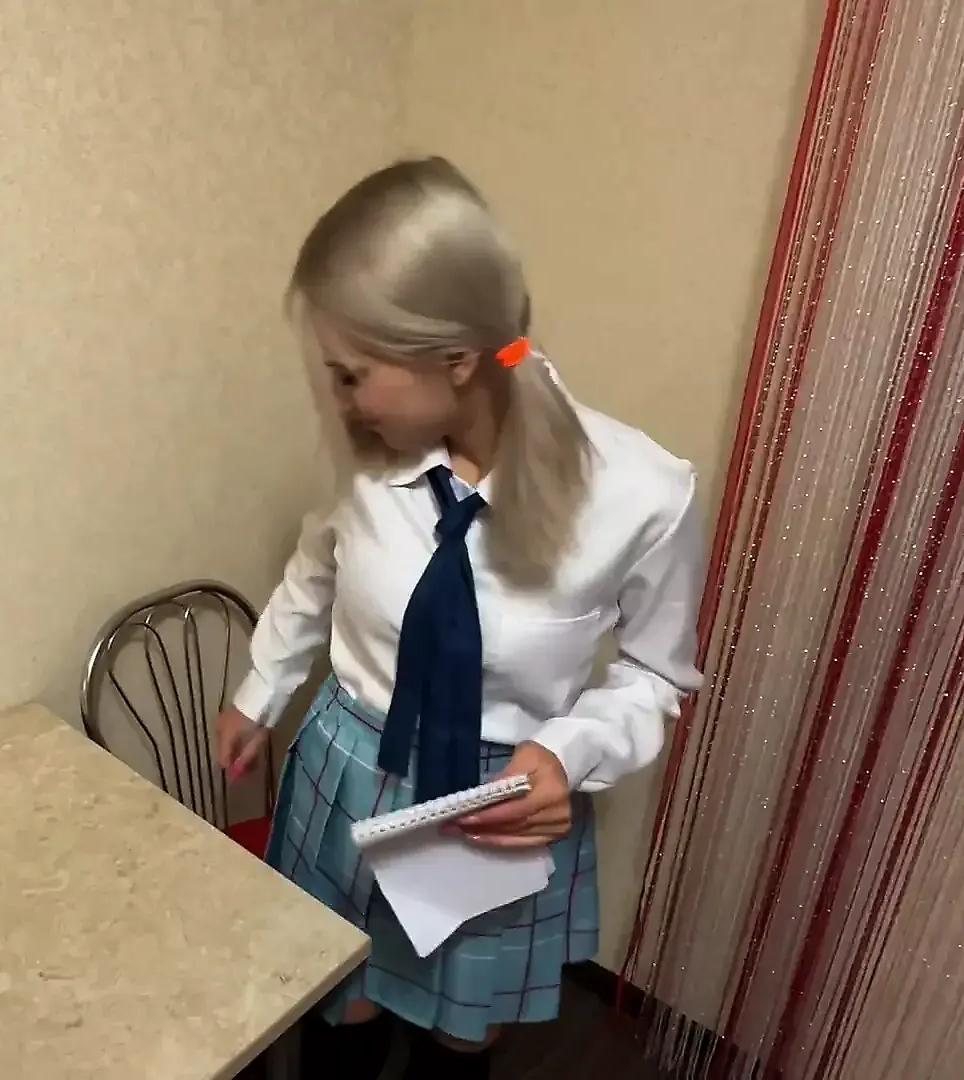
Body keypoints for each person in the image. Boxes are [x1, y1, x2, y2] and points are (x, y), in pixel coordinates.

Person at [213, 157, 705, 1080]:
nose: (342, 403)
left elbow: (656, 674)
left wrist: (570, 754)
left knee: (456, 1044)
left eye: (353, 375)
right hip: (346, 768)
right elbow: (317, 567)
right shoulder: (368, 457)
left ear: (458, 359)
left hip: (490, 806)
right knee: (340, 1013)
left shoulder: (643, 495)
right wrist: (261, 687)